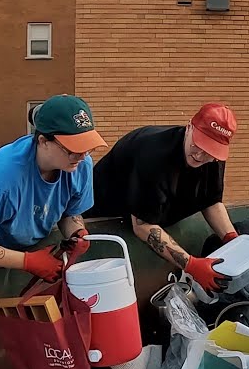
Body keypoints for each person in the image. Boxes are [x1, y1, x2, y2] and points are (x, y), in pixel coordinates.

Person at [0, 95, 107, 282]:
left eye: (87, 148)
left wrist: (76, 232)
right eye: (73, 149)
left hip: (12, 228)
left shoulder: (80, 165)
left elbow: (69, 213)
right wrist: (29, 261)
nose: (81, 156)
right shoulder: (2, 177)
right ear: (43, 141)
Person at [88, 103, 239, 293]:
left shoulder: (213, 159)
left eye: (210, 152)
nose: (200, 155)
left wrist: (232, 240)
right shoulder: (153, 154)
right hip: (102, 218)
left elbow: (211, 201)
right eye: (198, 144)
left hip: (157, 215)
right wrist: (191, 265)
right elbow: (143, 225)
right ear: (189, 127)